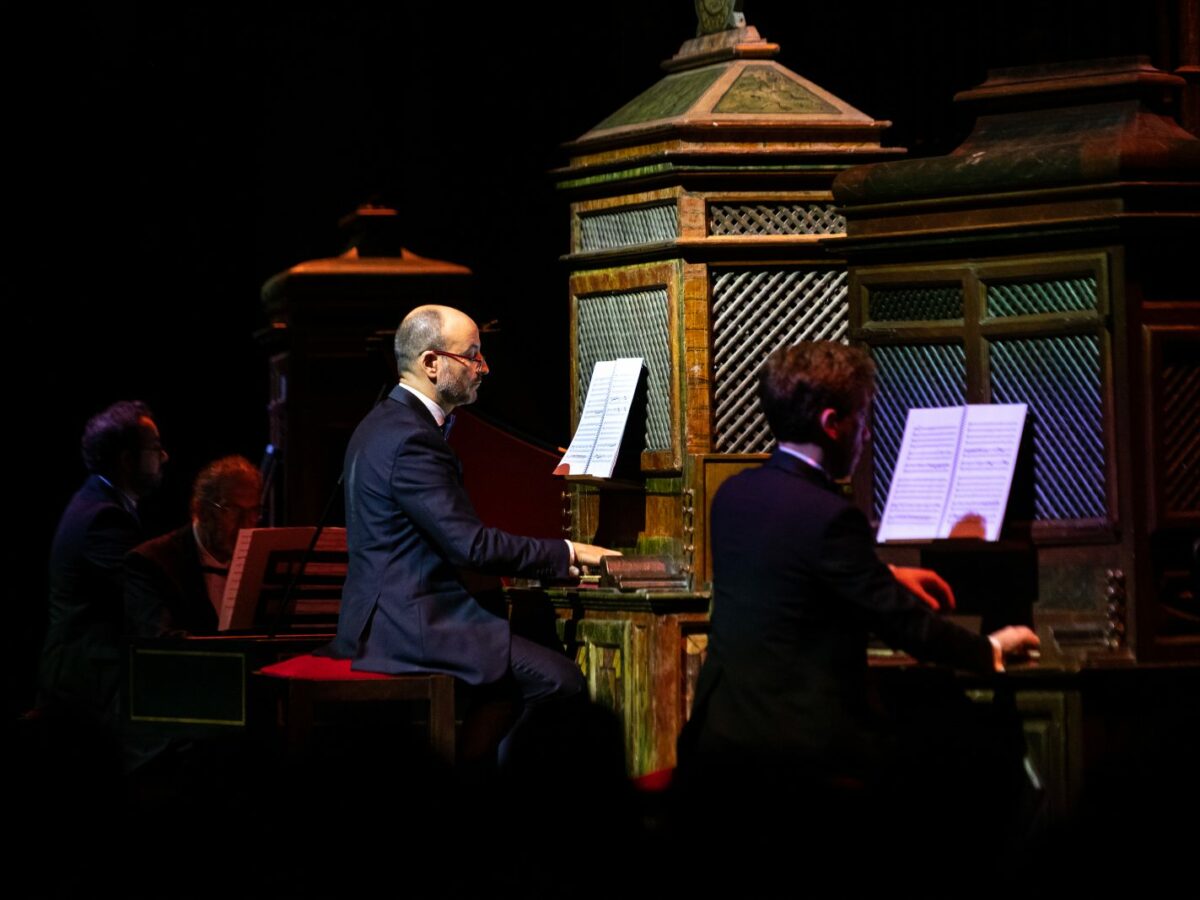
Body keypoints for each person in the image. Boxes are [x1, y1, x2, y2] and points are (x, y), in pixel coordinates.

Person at [673, 342, 1040, 891]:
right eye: (863, 419)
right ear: (833, 424)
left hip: (721, 737)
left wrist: (880, 573)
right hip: (802, 750)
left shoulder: (735, 495)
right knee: (978, 765)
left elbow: (788, 570)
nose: (866, 435)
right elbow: (908, 628)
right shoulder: (829, 516)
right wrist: (990, 648)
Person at [330, 304, 618, 760]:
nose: (484, 368)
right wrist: (571, 551)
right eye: (472, 356)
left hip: (395, 618)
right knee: (561, 682)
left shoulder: (387, 422)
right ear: (431, 363)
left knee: (506, 684)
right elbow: (470, 545)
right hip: (409, 626)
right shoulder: (410, 438)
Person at [38, 400, 168, 728]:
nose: (164, 456)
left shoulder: (100, 501)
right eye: (155, 448)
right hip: (88, 689)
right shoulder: (103, 518)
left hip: (91, 680)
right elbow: (141, 597)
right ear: (126, 460)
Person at [124, 455, 262, 638]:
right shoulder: (150, 563)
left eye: (253, 511)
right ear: (200, 510)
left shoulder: (260, 562)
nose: (245, 524)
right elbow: (160, 640)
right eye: (233, 510)